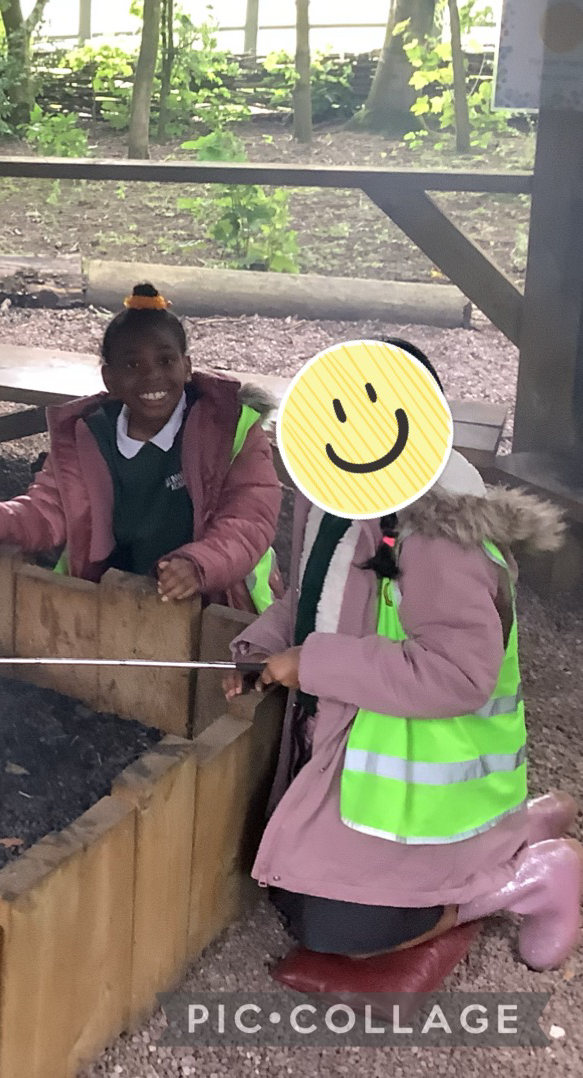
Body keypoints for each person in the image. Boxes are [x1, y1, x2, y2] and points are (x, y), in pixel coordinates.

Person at [229, 342, 577, 966]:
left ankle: (534, 877)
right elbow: (311, 599)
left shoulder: (440, 539)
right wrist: (264, 646)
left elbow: (458, 674)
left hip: (422, 791)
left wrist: (314, 664)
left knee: (332, 930)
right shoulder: (336, 503)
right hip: (352, 754)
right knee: (287, 890)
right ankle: (523, 825)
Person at [0, 284, 281, 610]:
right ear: (110, 379)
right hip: (114, 602)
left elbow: (249, 522)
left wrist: (199, 565)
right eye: (132, 364)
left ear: (186, 367)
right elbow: (43, 513)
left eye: (166, 360)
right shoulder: (88, 437)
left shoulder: (231, 430)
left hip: (219, 606)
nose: (152, 375)